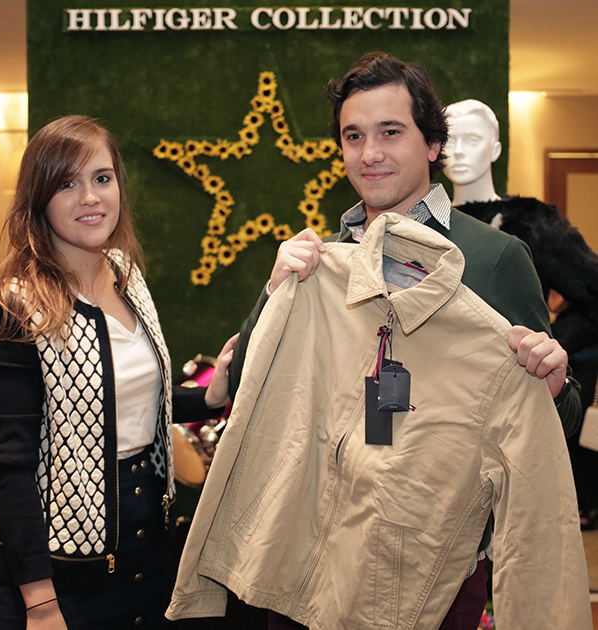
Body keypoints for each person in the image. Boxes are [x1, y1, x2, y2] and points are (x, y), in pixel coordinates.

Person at [228, 53, 582, 630]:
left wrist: (555, 382)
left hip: (426, 575)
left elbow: (552, 425)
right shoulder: (324, 258)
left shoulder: (493, 259)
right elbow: (246, 383)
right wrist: (273, 292)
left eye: (390, 132)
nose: (370, 152)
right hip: (308, 555)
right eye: (354, 136)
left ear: (433, 144)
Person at [0, 115, 237, 630]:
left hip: (145, 545)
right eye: (67, 184)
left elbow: (114, 402)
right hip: (55, 574)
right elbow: (9, 469)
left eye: (102, 178)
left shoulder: (126, 276)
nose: (90, 197)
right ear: (39, 198)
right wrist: (41, 604)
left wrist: (206, 398)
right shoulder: (13, 307)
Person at [443, 98, 598, 530]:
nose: (459, 151)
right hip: (439, 403)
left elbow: (593, 292)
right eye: (451, 139)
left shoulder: (532, 223)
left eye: (473, 139)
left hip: (513, 397)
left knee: (511, 525)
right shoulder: (421, 222)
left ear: (495, 147)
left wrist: (548, 345)